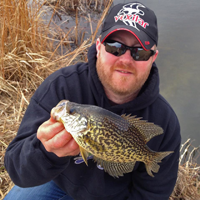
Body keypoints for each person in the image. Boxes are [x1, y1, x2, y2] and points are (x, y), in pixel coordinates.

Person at [4, 2, 181, 200]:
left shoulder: (164, 121)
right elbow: (17, 170)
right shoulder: (62, 86)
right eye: (115, 47)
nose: (126, 60)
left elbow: (151, 194)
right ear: (98, 46)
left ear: (153, 57)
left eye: (139, 52)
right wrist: (46, 152)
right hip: (56, 182)